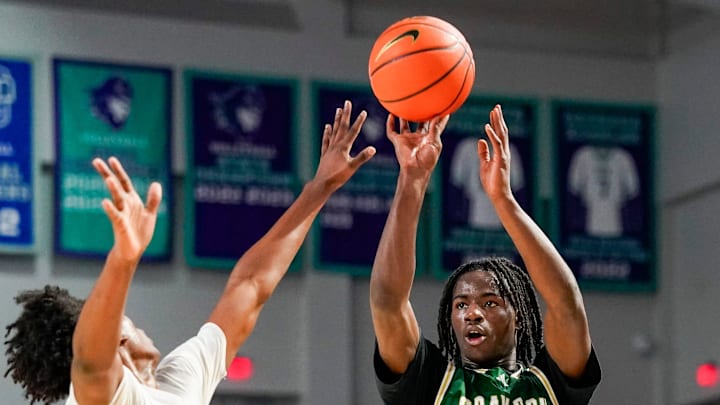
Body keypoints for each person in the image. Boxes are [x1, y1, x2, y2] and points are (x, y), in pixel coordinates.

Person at [4, 100, 375, 405]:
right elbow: (90, 359)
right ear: (116, 336)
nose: (134, 319)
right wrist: (123, 260)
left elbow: (250, 285)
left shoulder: (180, 377)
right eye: (122, 317)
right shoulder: (100, 395)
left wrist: (318, 190)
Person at [369, 105, 601, 404]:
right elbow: (386, 301)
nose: (472, 314)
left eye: (489, 302)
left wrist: (503, 200)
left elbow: (567, 303)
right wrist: (412, 179)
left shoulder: (550, 382)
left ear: (517, 315)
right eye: (461, 305)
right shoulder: (430, 383)